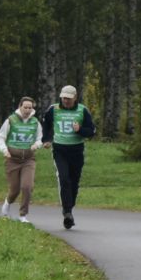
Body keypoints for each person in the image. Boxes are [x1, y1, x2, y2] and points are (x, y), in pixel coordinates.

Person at [39, 85, 96, 230]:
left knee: (74, 181)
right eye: (64, 98)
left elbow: (91, 131)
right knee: (64, 179)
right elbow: (46, 124)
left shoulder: (82, 110)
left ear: (75, 98)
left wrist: (80, 130)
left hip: (76, 150)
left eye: (69, 98)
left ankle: (69, 205)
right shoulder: (53, 109)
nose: (66, 101)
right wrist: (46, 139)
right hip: (60, 149)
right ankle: (67, 213)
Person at [0, 96, 44, 224]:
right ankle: (7, 202)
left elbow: (40, 138)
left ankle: (23, 215)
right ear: (20, 107)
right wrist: (4, 150)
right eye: (25, 107)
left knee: (27, 186)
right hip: (12, 159)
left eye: (30, 108)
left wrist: (37, 145)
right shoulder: (11, 120)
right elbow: (1, 137)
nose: (27, 110)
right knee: (15, 189)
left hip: (28, 160)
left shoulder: (35, 122)